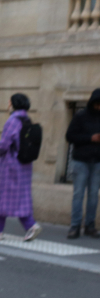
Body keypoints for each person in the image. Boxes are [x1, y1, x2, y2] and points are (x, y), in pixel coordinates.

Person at [0, 93, 41, 241]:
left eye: (9, 102)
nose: (8, 104)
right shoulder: (26, 119)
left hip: (9, 165)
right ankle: (25, 226)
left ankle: (1, 231)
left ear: (13, 104)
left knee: (1, 196)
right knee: (18, 198)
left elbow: (5, 143)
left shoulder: (13, 120)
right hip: (24, 166)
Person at [64, 88, 100, 239]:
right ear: (92, 102)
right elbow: (70, 136)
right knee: (78, 194)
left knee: (93, 195)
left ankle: (90, 226)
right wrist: (90, 138)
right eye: (97, 104)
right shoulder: (80, 116)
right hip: (80, 161)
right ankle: (75, 226)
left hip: (97, 161)